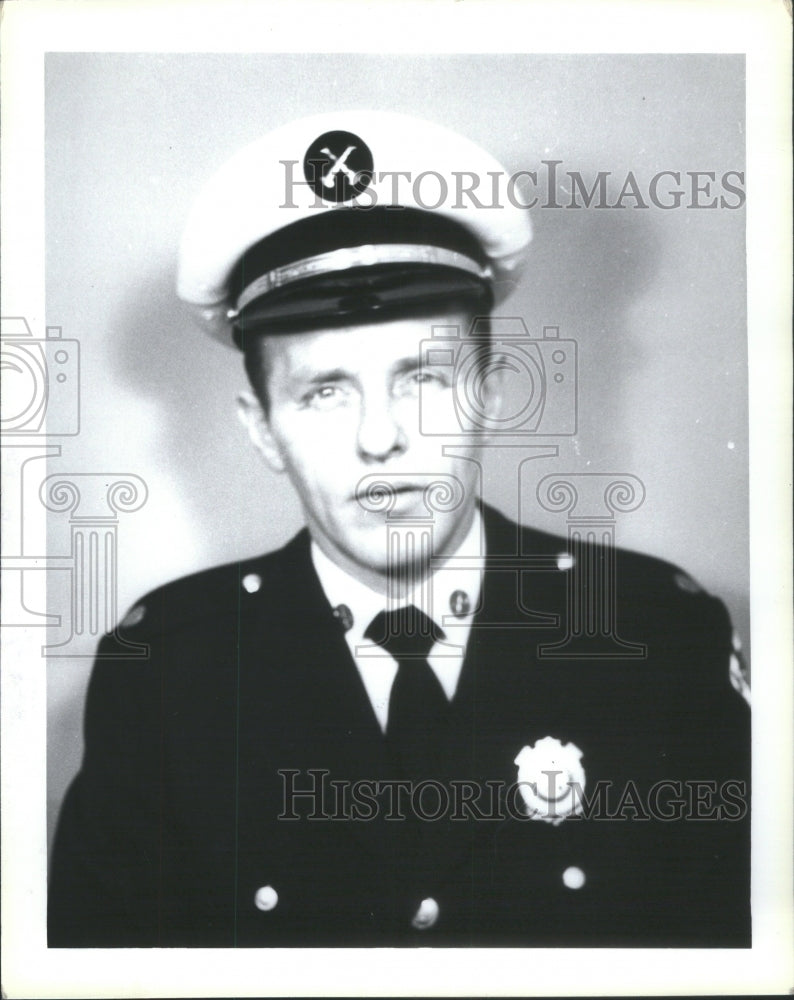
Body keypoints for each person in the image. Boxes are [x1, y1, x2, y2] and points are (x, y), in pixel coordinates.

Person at [48, 110, 751, 948]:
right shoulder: (165, 672)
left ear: (490, 391)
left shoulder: (657, 637)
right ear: (262, 429)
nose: (381, 438)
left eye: (422, 378)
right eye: (326, 392)